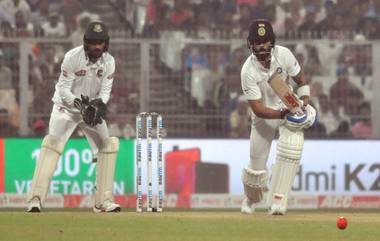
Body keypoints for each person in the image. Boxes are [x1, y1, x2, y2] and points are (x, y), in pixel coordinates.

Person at [27, 21, 121, 213]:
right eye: (93, 42)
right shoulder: (72, 57)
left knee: (107, 145)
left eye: (100, 42)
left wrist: (98, 105)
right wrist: (79, 104)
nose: (97, 46)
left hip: (91, 112)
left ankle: (102, 202)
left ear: (106, 44)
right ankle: (35, 200)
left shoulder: (109, 62)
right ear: (86, 42)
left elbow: (105, 91)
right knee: (52, 146)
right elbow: (62, 89)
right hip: (65, 110)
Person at [240, 19, 316, 215]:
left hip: (287, 111)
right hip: (264, 117)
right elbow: (257, 108)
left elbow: (301, 80)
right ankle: (250, 199)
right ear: (251, 44)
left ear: (272, 41)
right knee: (256, 171)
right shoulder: (247, 71)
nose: (262, 46)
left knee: (292, 151)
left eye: (265, 41)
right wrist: (282, 113)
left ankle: (278, 202)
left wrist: (304, 98)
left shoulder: (284, 54)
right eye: (258, 42)